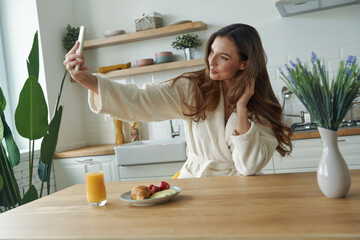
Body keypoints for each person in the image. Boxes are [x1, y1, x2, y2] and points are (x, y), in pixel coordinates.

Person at [64, 23, 293, 178]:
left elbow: (248, 166)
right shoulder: (193, 89)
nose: (211, 62)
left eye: (223, 57)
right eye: (211, 52)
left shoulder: (262, 108)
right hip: (197, 185)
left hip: (242, 193)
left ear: (244, 63)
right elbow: (142, 99)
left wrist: (241, 108)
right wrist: (86, 79)